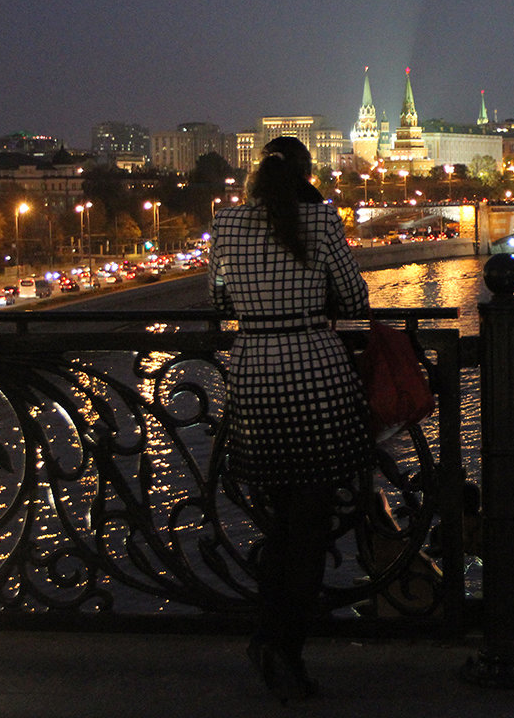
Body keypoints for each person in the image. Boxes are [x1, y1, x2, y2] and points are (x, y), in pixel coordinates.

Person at [209, 136, 371, 703]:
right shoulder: (322, 222)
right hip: (314, 376)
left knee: (278, 525)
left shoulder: (225, 225)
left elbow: (221, 299)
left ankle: (268, 636)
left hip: (255, 377)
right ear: (305, 173)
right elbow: (354, 299)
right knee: (310, 525)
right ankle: (285, 649)